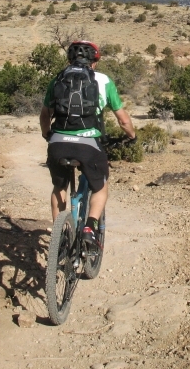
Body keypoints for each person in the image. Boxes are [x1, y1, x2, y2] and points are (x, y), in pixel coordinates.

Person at [39, 40, 136, 245]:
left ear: (69, 60)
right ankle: (89, 227)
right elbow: (123, 120)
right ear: (94, 62)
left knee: (59, 188)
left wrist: (48, 135)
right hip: (89, 145)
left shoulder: (57, 79)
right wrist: (131, 136)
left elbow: (45, 115)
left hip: (58, 142)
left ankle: (59, 236)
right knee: (100, 187)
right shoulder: (103, 81)